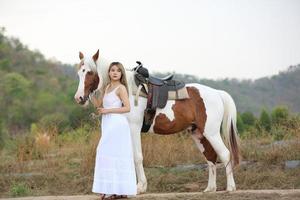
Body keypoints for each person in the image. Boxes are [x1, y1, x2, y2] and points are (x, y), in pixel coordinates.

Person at [91, 62, 137, 199]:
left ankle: (115, 189)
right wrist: (91, 96)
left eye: (118, 70)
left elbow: (127, 108)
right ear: (109, 73)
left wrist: (108, 110)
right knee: (110, 155)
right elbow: (101, 105)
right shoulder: (107, 88)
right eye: (112, 70)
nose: (115, 72)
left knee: (106, 152)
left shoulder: (121, 88)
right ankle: (112, 189)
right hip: (107, 123)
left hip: (117, 124)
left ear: (121, 73)